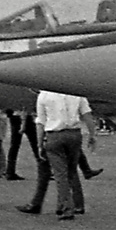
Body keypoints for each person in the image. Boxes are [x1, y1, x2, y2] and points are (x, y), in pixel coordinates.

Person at [19, 90, 94, 219]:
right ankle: (74, 204)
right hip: (74, 134)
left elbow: (41, 121)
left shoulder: (44, 95)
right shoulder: (76, 93)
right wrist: (92, 134)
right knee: (71, 171)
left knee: (60, 174)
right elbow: (87, 114)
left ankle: (66, 207)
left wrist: (39, 143)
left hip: (54, 134)